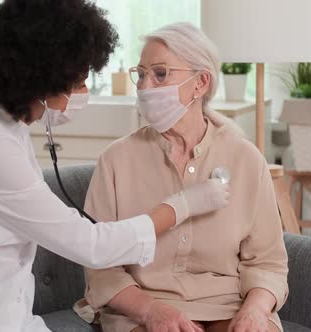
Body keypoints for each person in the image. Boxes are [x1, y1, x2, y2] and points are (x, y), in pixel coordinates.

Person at [0, 3, 229, 332]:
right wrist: (183, 205)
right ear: (42, 81)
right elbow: (92, 245)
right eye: (78, 83)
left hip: (6, 319)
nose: (82, 93)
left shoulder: (8, 131)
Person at [79, 22, 289, 332]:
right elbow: (102, 269)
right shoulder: (116, 160)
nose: (145, 86)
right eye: (141, 74)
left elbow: (268, 262)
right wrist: (150, 312)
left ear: (200, 83)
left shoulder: (246, 159)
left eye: (161, 74)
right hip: (142, 308)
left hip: (227, 305)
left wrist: (256, 310)